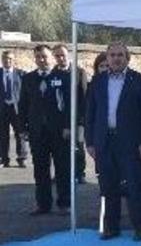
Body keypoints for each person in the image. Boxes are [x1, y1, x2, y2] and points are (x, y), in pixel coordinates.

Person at [84, 43, 141, 240]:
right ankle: (111, 227)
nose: (116, 58)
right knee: (108, 187)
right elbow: (90, 113)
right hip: (103, 142)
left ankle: (140, 227)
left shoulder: (139, 81)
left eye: (120, 55)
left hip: (130, 142)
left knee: (134, 186)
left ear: (128, 57)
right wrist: (89, 141)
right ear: (107, 58)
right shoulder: (97, 81)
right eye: (112, 55)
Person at [19, 44, 72, 215]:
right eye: (38, 57)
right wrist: (23, 128)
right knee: (40, 169)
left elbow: (68, 106)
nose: (42, 60)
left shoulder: (62, 77)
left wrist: (67, 126)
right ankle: (43, 204)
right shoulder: (28, 79)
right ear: (35, 59)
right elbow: (23, 105)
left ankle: (64, 204)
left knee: (62, 168)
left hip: (59, 132)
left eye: (45, 56)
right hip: (36, 132)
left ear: (51, 57)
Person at [51, 45, 88, 183]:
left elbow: (84, 98)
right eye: (57, 56)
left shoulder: (79, 72)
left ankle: (80, 173)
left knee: (77, 146)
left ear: (69, 55)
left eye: (63, 55)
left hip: (77, 118)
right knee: (59, 148)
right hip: (58, 119)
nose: (61, 58)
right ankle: (60, 173)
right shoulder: (52, 74)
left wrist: (82, 120)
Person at [1, 50, 26, 168]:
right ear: (2, 60)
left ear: (13, 60)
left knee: (20, 133)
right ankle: (4, 159)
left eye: (10, 59)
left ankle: (21, 158)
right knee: (2, 134)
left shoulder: (21, 74)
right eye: (5, 58)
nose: (7, 61)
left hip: (16, 108)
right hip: (2, 108)